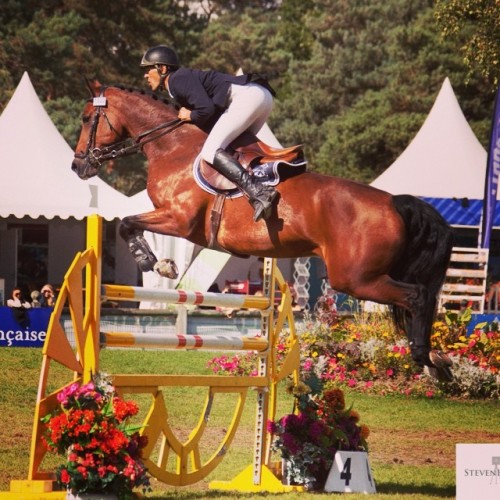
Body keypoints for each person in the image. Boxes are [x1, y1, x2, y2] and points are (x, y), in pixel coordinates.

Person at [141, 45, 280, 222]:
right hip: (260, 96)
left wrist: (189, 114)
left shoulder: (176, 80)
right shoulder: (179, 81)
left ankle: (260, 192)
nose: (145, 76)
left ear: (162, 68)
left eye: (148, 70)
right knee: (242, 148)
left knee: (210, 151)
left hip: (247, 98)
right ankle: (270, 182)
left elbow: (206, 110)